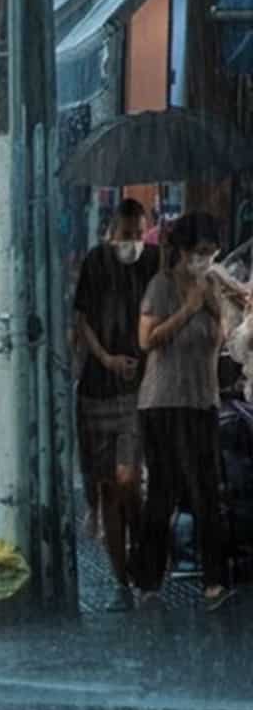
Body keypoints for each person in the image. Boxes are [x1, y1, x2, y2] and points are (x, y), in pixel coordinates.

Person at [135, 212, 233, 610]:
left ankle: (215, 583)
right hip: (164, 402)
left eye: (211, 253)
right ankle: (147, 580)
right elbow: (146, 340)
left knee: (209, 493)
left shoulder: (211, 284)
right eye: (200, 253)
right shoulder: (162, 285)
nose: (205, 260)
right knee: (164, 493)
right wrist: (188, 309)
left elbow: (218, 340)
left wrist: (214, 307)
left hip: (203, 400)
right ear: (183, 252)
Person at [71, 198, 159, 611]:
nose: (133, 243)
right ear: (111, 233)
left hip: (138, 389)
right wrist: (105, 358)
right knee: (108, 486)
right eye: (127, 235)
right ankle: (121, 578)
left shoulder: (155, 261)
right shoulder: (95, 262)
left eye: (139, 235)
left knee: (128, 478)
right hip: (97, 388)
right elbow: (81, 319)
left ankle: (143, 551)